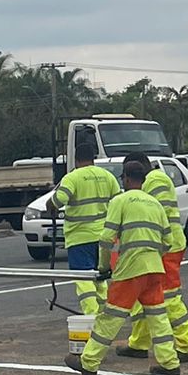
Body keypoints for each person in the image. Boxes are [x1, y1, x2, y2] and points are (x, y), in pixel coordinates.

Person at [65, 160, 180, 375]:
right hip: (154, 269)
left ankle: (88, 362)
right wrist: (153, 257)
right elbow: (168, 241)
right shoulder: (155, 204)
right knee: (158, 317)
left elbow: (106, 239)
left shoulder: (120, 201)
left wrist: (104, 266)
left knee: (110, 317)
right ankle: (170, 362)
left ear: (126, 179)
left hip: (131, 269)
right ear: (143, 179)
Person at [119, 154, 188, 361]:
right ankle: (139, 342)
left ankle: (187, 344)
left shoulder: (156, 181)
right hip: (160, 246)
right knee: (145, 295)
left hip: (166, 247)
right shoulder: (156, 180)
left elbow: (154, 214)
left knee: (168, 296)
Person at [48, 135, 119, 315]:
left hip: (80, 238)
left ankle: (91, 315)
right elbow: (118, 201)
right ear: (93, 158)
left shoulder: (72, 178)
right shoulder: (107, 176)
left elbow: (59, 200)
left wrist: (51, 204)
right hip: (103, 237)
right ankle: (103, 314)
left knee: (83, 278)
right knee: (100, 277)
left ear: (76, 160)